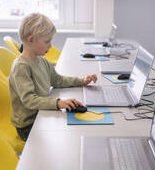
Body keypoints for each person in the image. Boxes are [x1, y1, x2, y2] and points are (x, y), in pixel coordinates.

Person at [9, 13, 97, 141]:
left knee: (72, 129)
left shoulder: (42, 60)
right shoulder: (21, 67)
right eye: (47, 41)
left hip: (42, 113)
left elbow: (57, 80)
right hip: (28, 125)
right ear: (31, 39)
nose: (50, 45)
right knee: (63, 136)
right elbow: (29, 100)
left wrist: (82, 81)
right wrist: (58, 103)